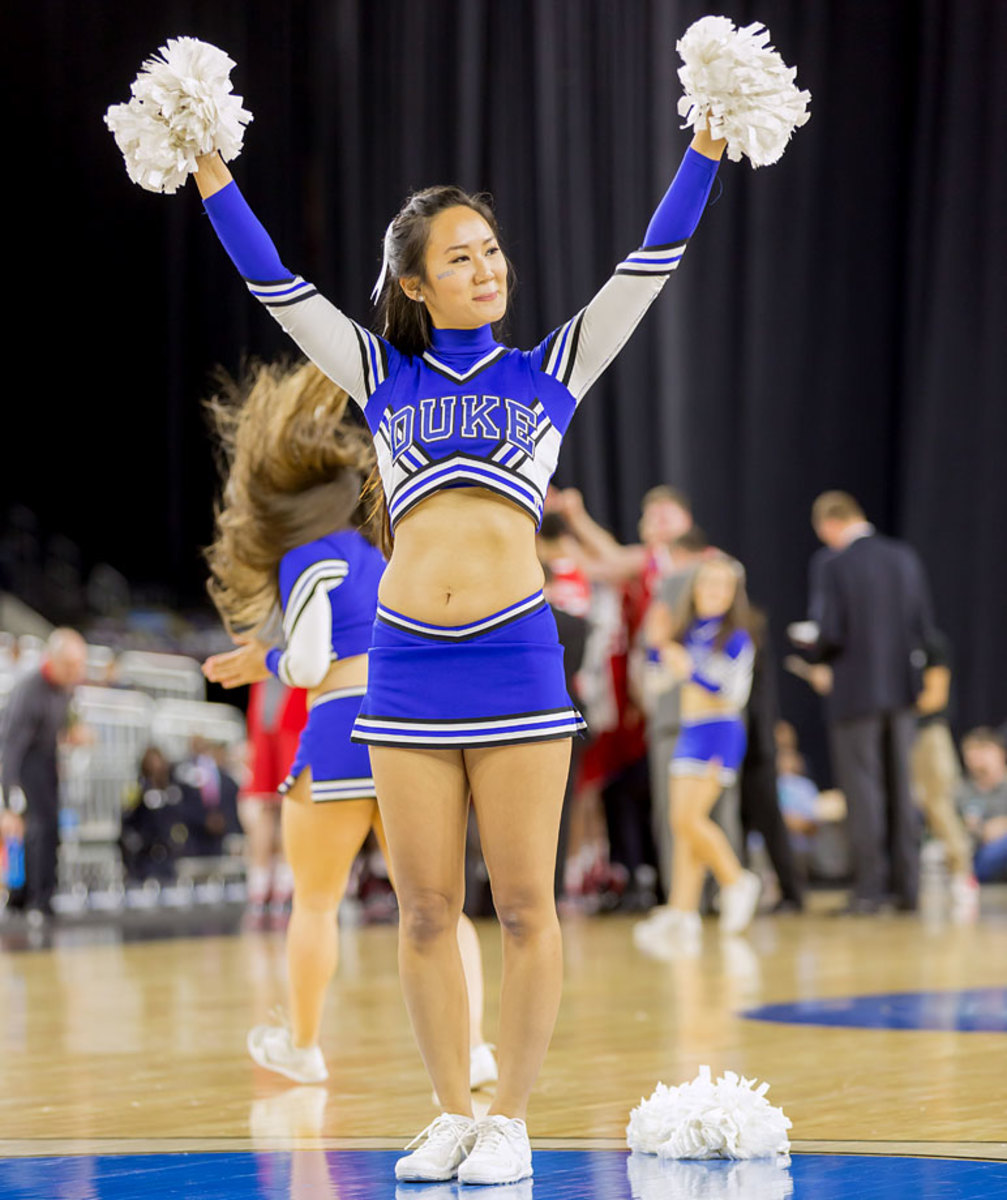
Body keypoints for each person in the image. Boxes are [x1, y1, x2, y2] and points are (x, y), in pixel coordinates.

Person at [190, 106, 728, 1184]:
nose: (484, 268)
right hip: (405, 665)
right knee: (427, 907)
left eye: (490, 251)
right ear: (416, 286)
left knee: (524, 904)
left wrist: (707, 141)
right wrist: (204, 162)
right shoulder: (381, 380)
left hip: (516, 656)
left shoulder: (551, 370)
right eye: (459, 257)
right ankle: (449, 1112)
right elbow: (274, 282)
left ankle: (512, 1119)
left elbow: (650, 261)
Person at [200, 361, 495, 1091]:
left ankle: (301, 1047)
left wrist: (262, 659)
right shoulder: (384, 553)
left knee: (317, 902)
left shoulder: (307, 557)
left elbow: (305, 663)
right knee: (437, 906)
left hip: (339, 726)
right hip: (412, 724)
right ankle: (476, 1048)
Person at [789, 491, 933, 915]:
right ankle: (909, 889)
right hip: (903, 692)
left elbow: (829, 630)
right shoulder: (903, 557)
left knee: (863, 790)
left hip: (855, 693)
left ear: (827, 525)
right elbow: (923, 626)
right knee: (901, 787)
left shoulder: (832, 564)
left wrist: (810, 651)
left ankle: (871, 890)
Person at [634, 556, 761, 954]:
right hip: (690, 731)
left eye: (723, 586)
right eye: (708, 584)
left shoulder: (738, 636)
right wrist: (659, 648)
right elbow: (658, 682)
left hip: (720, 732)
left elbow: (732, 692)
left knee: (688, 818)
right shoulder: (687, 631)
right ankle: (682, 912)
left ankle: (736, 880)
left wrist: (686, 668)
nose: (714, 592)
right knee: (682, 827)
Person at [0, 627, 88, 923]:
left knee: (51, 829)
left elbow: (64, 725)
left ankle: (43, 895)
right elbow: (11, 745)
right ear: (56, 659)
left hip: (49, 762)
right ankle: (32, 898)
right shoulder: (29, 689)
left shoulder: (66, 688)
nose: (77, 672)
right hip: (27, 765)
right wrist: (10, 794)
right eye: (72, 666)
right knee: (35, 831)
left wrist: (73, 735)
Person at [241, 679, 308, 915]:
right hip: (284, 707)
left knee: (271, 806)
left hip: (274, 705)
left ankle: (264, 885)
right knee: (282, 805)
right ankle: (278, 883)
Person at [957, 728, 1007, 886]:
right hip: (978, 858)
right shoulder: (961, 792)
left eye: (983, 750)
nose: (977, 758)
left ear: (1000, 753)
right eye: (971, 752)